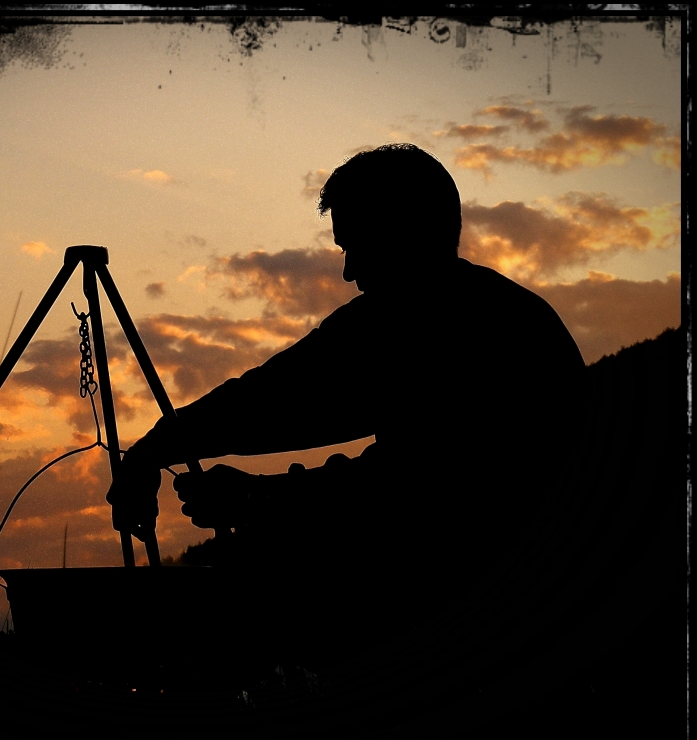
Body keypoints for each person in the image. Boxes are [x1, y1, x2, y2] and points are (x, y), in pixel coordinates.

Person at [108, 143, 585, 600]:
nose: (348, 272)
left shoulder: (466, 330)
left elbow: (411, 492)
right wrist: (154, 450)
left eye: (356, 245)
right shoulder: (444, 312)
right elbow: (275, 397)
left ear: (405, 233)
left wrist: (259, 498)